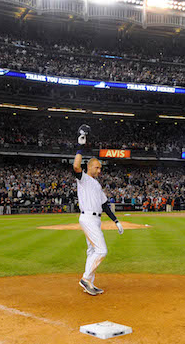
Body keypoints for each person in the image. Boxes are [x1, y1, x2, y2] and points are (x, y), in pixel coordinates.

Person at [74, 124, 123, 296]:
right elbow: (75, 167)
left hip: (96, 219)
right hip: (87, 218)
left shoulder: (96, 184)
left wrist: (116, 221)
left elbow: (104, 206)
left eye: (100, 168)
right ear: (90, 167)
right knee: (102, 250)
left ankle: (90, 284)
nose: (100, 170)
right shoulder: (84, 179)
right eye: (97, 167)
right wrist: (80, 147)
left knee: (92, 251)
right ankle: (86, 278)